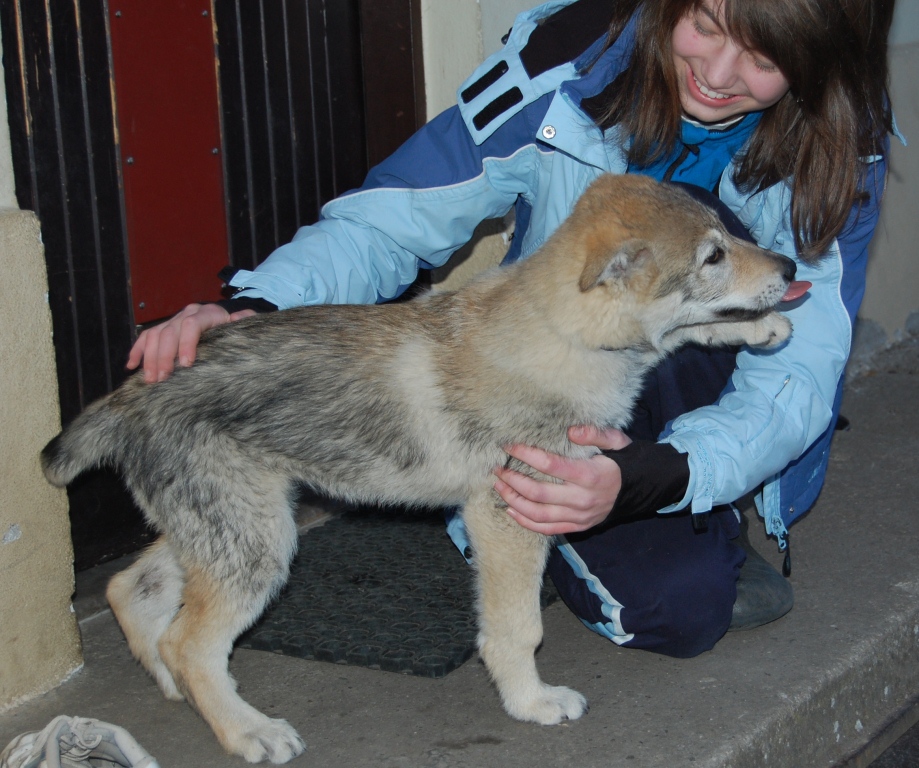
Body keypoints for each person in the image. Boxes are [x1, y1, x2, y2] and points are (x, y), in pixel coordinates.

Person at [127, 0, 897, 658]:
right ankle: (522, 504)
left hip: (695, 369)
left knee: (732, 273)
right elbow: (396, 222)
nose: (718, 73)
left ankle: (684, 505)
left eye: (762, 57)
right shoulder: (564, 65)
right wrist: (257, 308)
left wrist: (667, 476)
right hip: (559, 376)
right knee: (680, 612)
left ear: (812, 64)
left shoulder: (839, 141)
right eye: (704, 22)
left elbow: (801, 365)